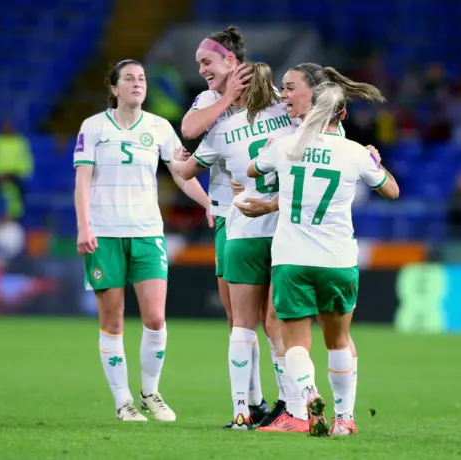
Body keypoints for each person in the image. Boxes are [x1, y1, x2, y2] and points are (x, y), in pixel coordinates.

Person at [233, 62, 386, 431]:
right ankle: (343, 417)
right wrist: (375, 160)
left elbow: (256, 170)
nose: (284, 96)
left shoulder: (287, 143)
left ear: (313, 97)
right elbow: (388, 190)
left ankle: (304, 400)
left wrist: (266, 187)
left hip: (292, 256)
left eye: (290, 88)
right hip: (337, 258)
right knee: (338, 339)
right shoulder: (350, 148)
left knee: (291, 337)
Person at [73, 59, 211, 422]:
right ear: (114, 89)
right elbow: (83, 180)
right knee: (113, 322)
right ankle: (123, 403)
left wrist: (209, 203)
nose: (137, 83)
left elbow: (181, 174)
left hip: (148, 232)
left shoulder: (160, 127)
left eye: (142, 78)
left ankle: (150, 392)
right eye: (129, 79)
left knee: (155, 317)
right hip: (104, 233)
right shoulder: (93, 127)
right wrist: (84, 226)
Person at [170, 62, 295, 430]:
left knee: (241, 325)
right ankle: (290, 403)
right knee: (277, 323)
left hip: (242, 231)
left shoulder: (223, 130)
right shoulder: (289, 120)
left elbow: (187, 172)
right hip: (282, 233)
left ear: (237, 91)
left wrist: (179, 162)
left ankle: (242, 411)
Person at [179, 26, 273, 427]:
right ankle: (255, 403)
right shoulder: (209, 99)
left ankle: (289, 402)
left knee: (271, 319)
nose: (200, 69)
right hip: (226, 214)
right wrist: (226, 100)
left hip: (270, 215)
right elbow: (189, 130)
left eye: (206, 62)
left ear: (230, 61)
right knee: (238, 318)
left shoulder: (268, 94)